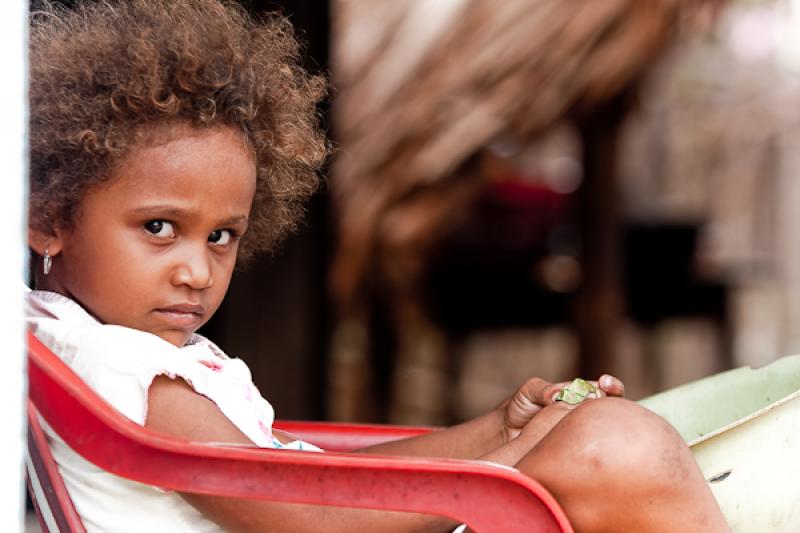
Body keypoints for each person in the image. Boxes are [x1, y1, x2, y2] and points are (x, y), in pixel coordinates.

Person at [25, 1, 729, 531]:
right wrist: (524, 462)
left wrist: (499, 427)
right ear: (48, 218)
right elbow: (310, 513)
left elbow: (317, 477)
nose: (196, 271)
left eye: (221, 236)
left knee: (608, 443)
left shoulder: (100, 350)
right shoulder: (136, 376)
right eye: (159, 228)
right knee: (616, 445)